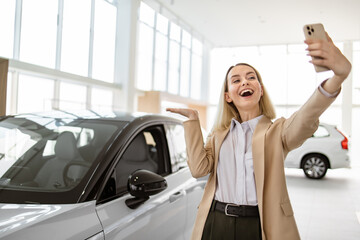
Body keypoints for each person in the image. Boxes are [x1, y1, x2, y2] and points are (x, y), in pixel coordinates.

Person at [166, 32, 351, 240]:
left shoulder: (277, 132)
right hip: (216, 221)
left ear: (260, 90)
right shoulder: (218, 134)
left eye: (251, 78)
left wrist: (337, 77)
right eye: (236, 80)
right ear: (227, 96)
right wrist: (192, 122)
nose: (245, 82)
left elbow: (306, 115)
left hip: (258, 225)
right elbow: (198, 169)